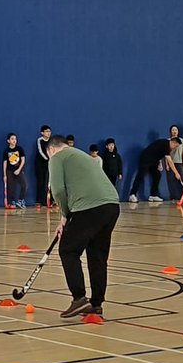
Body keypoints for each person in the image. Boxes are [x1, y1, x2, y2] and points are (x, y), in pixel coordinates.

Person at [46, 136, 121, 319]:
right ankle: (96, 304)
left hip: (89, 207)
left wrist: (65, 215)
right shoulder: (83, 156)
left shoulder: (57, 157)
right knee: (97, 255)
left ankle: (79, 298)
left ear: (51, 150)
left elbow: (57, 190)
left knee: (67, 250)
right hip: (112, 206)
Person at [128, 137, 182, 203]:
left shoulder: (165, 145)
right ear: (173, 142)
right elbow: (169, 161)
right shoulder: (165, 144)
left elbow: (157, 152)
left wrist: (159, 163)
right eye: (176, 146)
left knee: (157, 175)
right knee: (140, 176)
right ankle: (132, 194)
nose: (175, 148)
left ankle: (153, 195)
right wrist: (176, 173)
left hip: (154, 160)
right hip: (146, 158)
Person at [4, 133, 28, 209]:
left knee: (24, 185)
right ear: (8, 141)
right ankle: (12, 201)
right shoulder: (6, 151)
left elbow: (23, 160)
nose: (14, 140)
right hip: (9, 171)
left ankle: (20, 200)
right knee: (11, 187)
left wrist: (19, 170)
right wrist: (4, 175)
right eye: (12, 139)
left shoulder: (19, 149)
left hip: (18, 170)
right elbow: (4, 163)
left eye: (15, 139)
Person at [166, 132, 183, 201]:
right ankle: (173, 196)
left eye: (176, 130)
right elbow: (166, 155)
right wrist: (167, 165)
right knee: (171, 180)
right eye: (173, 130)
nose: (174, 131)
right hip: (171, 162)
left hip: (179, 162)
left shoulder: (182, 141)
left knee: (182, 178)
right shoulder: (168, 141)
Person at [34, 125, 52, 206]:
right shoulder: (39, 140)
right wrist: (48, 158)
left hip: (49, 164)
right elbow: (40, 151)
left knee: (49, 182)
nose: (48, 133)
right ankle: (39, 201)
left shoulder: (52, 141)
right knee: (40, 182)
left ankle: (50, 201)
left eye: (49, 131)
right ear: (42, 133)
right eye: (47, 131)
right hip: (40, 164)